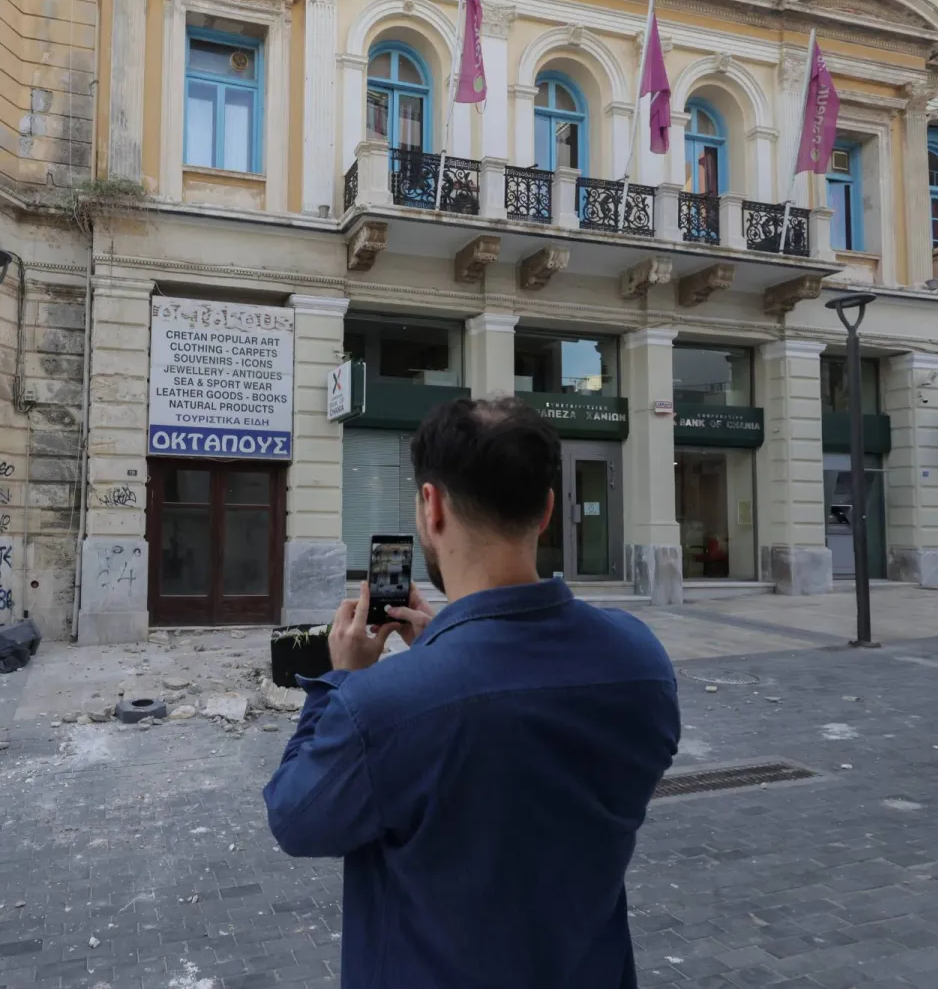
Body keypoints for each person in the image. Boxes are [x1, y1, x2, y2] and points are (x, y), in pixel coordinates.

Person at [262, 396, 680, 988]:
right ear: (546, 510)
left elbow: (295, 819)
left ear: (432, 507)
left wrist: (343, 680)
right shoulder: (641, 661)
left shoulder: (378, 706)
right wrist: (446, 643)